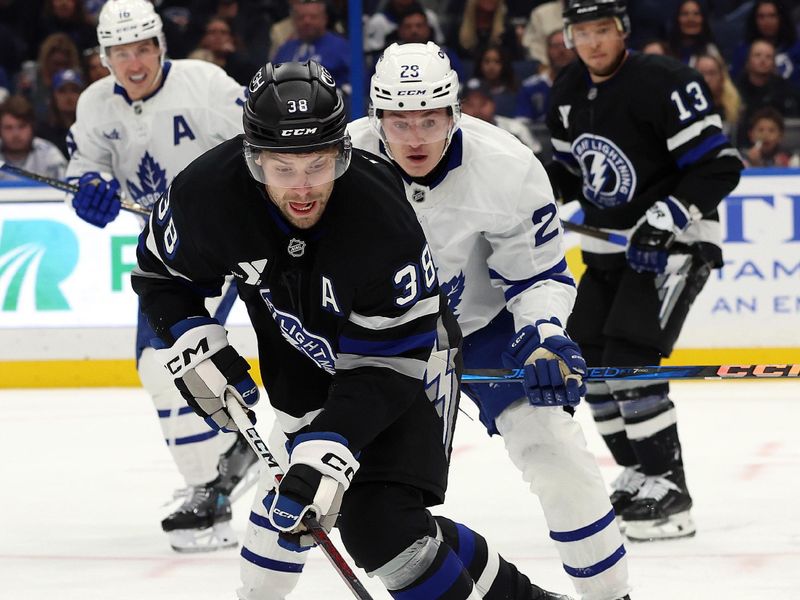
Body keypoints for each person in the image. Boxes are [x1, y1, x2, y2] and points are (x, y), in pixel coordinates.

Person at [133, 58, 573, 600]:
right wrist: (191, 340)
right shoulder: (207, 193)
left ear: (341, 153)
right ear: (252, 160)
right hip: (302, 373)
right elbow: (159, 273)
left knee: (380, 523)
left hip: (409, 364)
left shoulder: (381, 219)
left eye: (317, 165)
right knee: (302, 524)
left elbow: (389, 361)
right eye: (282, 168)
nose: (302, 189)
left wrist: (330, 447)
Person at [226, 43, 631, 600]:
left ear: (455, 112)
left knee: (556, 450)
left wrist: (544, 337)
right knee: (296, 474)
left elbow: (538, 277)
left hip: (483, 330)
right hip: (372, 339)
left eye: (429, 119)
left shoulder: (508, 167)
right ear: (376, 114)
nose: (415, 136)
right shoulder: (336, 161)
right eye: (398, 119)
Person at [546, 0, 743, 542]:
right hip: (610, 250)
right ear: (569, 37)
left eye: (602, 30)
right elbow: (570, 174)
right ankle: (640, 471)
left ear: (622, 30)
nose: (592, 43)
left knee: (631, 360)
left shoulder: (664, 82)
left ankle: (671, 488)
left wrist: (667, 217)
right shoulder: (566, 92)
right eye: (581, 33)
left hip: (673, 247)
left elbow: (720, 165)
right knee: (586, 362)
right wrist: (540, 200)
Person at [64, 0, 256, 553]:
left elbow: (259, 139)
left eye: (142, 48)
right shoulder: (96, 103)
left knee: (173, 359)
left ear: (159, 46)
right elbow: (87, 168)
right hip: (168, 252)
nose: (133, 62)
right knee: (159, 365)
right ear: (104, 57)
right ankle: (216, 478)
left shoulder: (204, 84)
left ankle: (225, 477)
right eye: (120, 52)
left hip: (232, 236)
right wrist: (91, 190)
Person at [0, 94, 66, 181]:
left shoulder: (49, 155)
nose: (15, 134)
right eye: (8, 127)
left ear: (32, 127)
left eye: (22, 126)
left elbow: (67, 191)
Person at [37, 68, 83, 158]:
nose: (69, 97)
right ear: (53, 96)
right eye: (62, 91)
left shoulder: (91, 127)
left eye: (74, 90)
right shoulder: (43, 131)